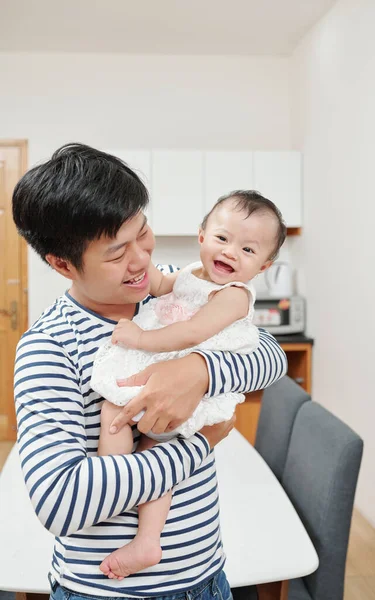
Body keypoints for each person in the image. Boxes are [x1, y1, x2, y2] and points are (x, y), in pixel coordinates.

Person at [13, 144, 287, 600]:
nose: (142, 260)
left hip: (207, 577)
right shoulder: (49, 346)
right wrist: (200, 445)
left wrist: (199, 369)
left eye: (144, 234)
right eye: (118, 252)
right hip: (106, 591)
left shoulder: (166, 288)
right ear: (62, 264)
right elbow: (60, 503)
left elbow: (269, 355)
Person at [92, 190, 287, 580]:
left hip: (188, 389)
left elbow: (193, 332)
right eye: (223, 239)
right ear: (201, 237)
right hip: (163, 369)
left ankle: (146, 535)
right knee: (121, 417)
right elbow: (164, 286)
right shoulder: (190, 274)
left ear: (263, 266)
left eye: (248, 250)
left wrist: (140, 339)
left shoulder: (232, 296)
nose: (231, 252)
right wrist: (144, 274)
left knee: (147, 436)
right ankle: (115, 484)